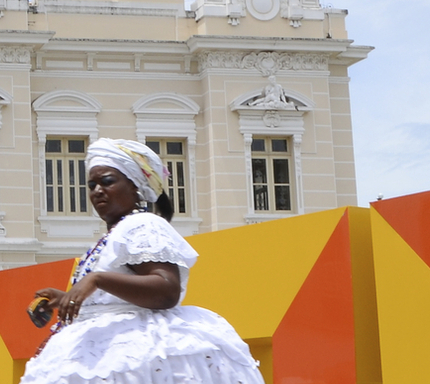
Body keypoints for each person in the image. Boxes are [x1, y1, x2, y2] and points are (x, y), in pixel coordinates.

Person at [22, 139, 264, 384]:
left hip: (137, 353)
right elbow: (115, 291)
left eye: (107, 181)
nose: (97, 190)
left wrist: (97, 279)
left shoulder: (143, 224)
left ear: (135, 186)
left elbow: (166, 291)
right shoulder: (117, 233)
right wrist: (68, 298)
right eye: (92, 184)